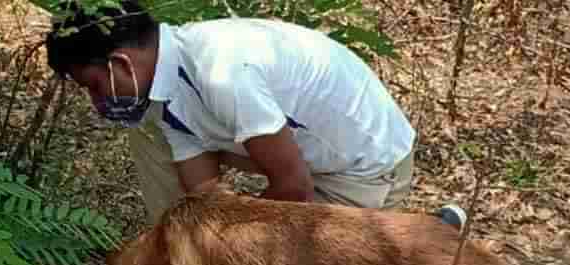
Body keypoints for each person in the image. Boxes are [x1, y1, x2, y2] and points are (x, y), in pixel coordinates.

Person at [45, 1, 467, 229]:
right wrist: (206, 231)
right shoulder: (167, 82)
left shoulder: (222, 72)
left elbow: (294, 188)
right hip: (306, 151)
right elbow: (201, 192)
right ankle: (180, 254)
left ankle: (425, 238)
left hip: (365, 167)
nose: (98, 105)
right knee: (151, 136)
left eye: (94, 87)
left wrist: (236, 238)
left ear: (120, 63)